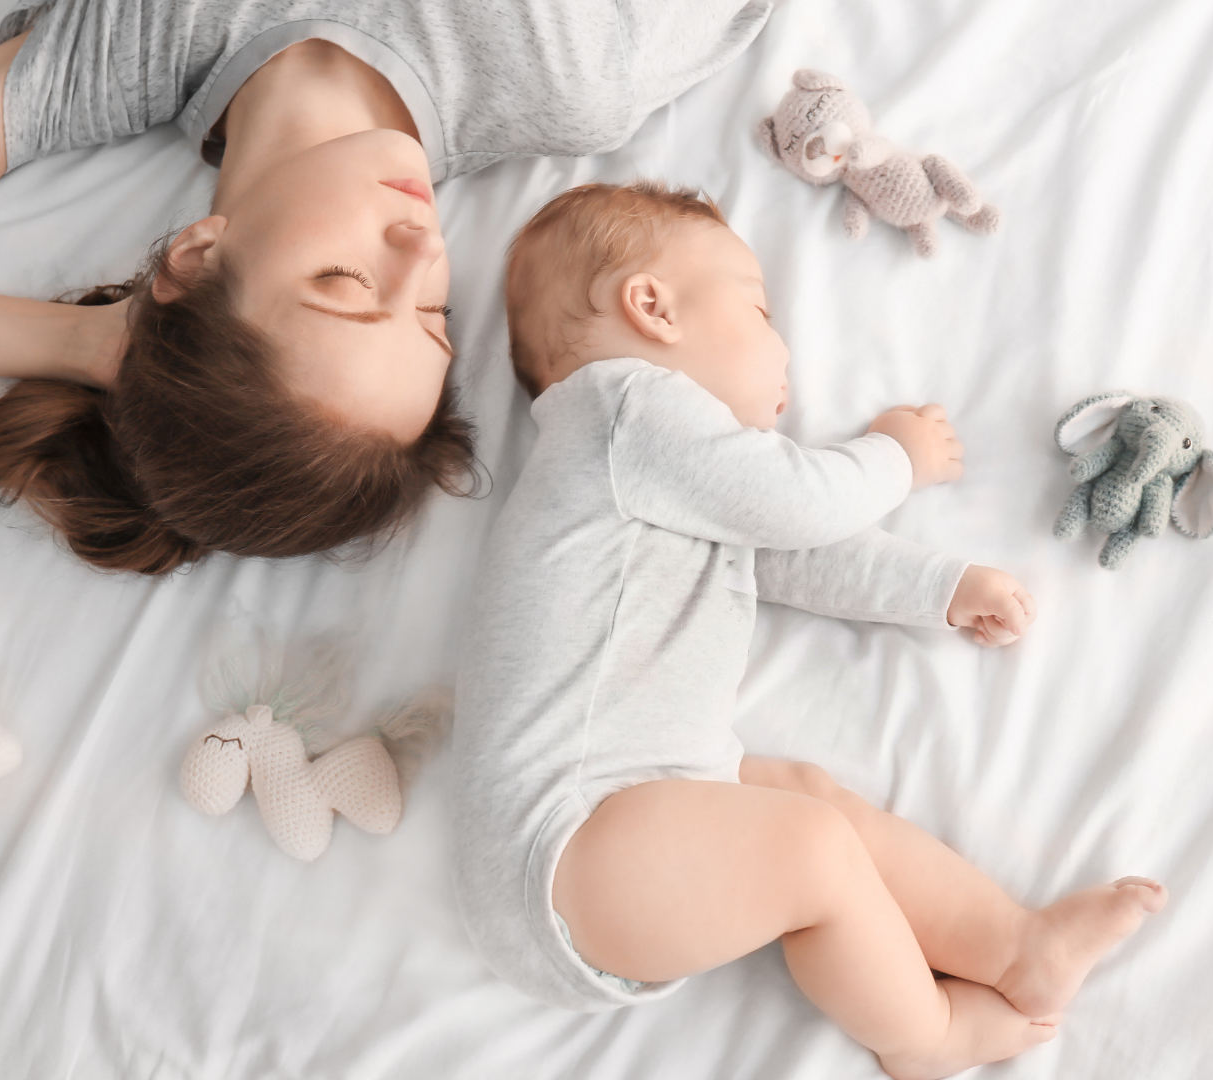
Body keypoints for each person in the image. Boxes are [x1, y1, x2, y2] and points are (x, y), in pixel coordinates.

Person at [454, 183, 1166, 1079]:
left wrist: (936, 588)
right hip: (562, 851)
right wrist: (895, 455)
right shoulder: (622, 409)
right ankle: (923, 1037)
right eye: (758, 308)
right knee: (809, 849)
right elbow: (798, 502)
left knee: (806, 797)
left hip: (620, 837)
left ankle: (1016, 947)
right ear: (653, 307)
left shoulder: (662, 480)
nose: (783, 346)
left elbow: (792, 548)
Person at [0, 1, 777, 573]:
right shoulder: (568, 71)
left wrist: (94, 347)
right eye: (436, 315)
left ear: (195, 258)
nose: (418, 244)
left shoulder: (132, 47)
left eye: (346, 283)